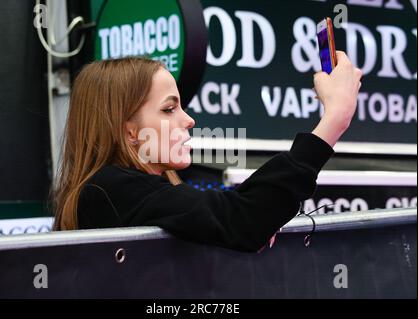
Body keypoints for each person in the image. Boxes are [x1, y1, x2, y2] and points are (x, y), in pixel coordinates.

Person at [51, 51, 363, 253]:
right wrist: (335, 119)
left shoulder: (137, 190)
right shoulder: (111, 187)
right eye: (169, 108)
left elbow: (239, 217)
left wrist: (262, 216)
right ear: (129, 130)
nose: (188, 120)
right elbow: (243, 219)